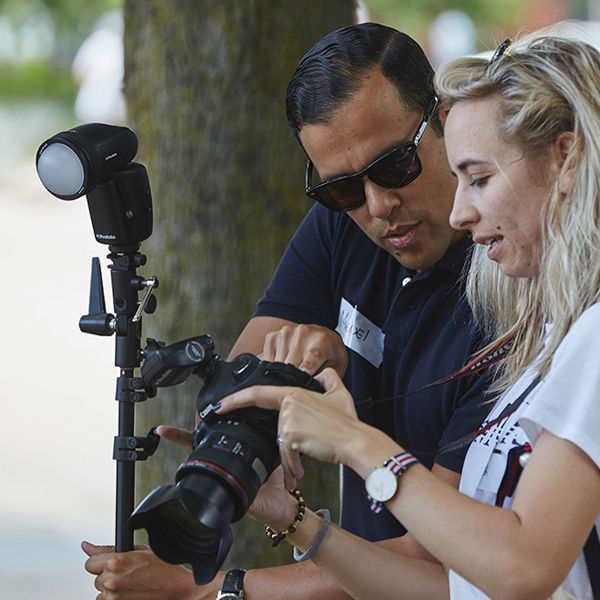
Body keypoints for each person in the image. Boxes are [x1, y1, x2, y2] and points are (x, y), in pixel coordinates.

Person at [82, 23, 492, 599]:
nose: (378, 206)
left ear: (445, 117)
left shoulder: (511, 279)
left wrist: (211, 591)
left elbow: (430, 556)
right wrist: (305, 359)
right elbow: (242, 377)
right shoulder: (341, 218)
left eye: (396, 165)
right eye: (344, 188)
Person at [217, 33, 600, 599]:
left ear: (565, 158)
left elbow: (522, 570)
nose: (463, 213)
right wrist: (295, 527)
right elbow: (456, 582)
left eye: (480, 178)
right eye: (343, 190)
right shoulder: (557, 326)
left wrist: (356, 444)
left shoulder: (581, 331)